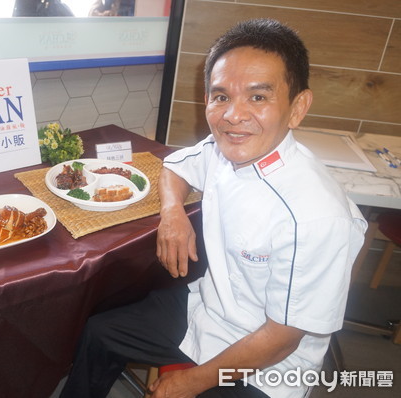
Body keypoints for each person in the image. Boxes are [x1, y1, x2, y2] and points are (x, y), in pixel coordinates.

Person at [59, 18, 367, 398]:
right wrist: (172, 214)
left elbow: (282, 339)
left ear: (297, 107)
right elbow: (174, 167)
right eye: (221, 96)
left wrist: (189, 382)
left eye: (258, 97)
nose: (233, 116)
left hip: (269, 364)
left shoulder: (316, 216)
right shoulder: (225, 149)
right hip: (206, 308)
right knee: (101, 332)